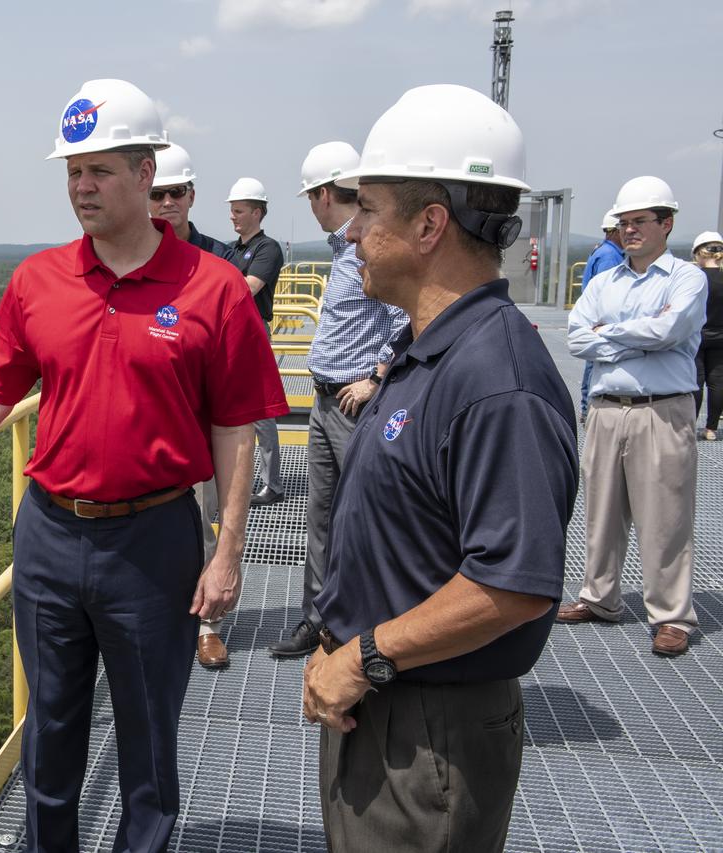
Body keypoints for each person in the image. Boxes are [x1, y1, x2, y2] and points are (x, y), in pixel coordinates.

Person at [0, 78, 288, 853]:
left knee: (149, 743)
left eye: (100, 171)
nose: (82, 188)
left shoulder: (212, 289)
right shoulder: (38, 281)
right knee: (49, 735)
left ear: (147, 174)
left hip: (153, 542)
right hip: (49, 535)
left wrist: (227, 552)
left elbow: (235, 428)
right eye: (72, 172)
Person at [300, 84, 578, 852]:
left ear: (429, 225)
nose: (352, 233)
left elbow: (514, 582)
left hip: (430, 733)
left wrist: (363, 654)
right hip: (387, 699)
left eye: (369, 211)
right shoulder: (431, 349)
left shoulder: (496, 380)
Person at [268, 141, 408, 659]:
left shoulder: (371, 249)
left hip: (354, 404)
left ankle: (366, 626)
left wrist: (375, 379)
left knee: (363, 516)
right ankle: (318, 619)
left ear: (324, 193)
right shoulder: (343, 251)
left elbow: (403, 321)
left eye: (311, 197)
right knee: (322, 516)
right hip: (326, 403)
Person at [559, 176, 707, 658]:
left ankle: (671, 616)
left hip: (661, 411)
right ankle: (599, 598)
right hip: (607, 411)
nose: (630, 230)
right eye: (624, 223)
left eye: (640, 221)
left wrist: (611, 333)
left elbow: (670, 329)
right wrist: (637, 335)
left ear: (667, 223)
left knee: (665, 516)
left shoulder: (687, 278)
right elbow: (577, 339)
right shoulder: (603, 280)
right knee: (600, 514)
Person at [148, 142, 237, 670]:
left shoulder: (217, 261)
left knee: (209, 516)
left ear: (191, 196)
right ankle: (162, 613)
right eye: (156, 194)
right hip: (159, 420)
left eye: (175, 193)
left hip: (207, 419)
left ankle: (207, 624)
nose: (165, 203)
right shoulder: (131, 258)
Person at [226, 177, 286, 506]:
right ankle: (241, 477)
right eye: (232, 211)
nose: (233, 217)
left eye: (239, 210)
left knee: (260, 411)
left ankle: (272, 484)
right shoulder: (232, 249)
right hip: (230, 331)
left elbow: (247, 289)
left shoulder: (267, 248)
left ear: (257, 213)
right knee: (233, 409)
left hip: (252, 330)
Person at [578, 214, 625, 423]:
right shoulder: (609, 257)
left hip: (596, 319)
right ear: (615, 231)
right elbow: (609, 294)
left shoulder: (605, 252)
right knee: (596, 363)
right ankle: (588, 408)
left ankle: (587, 407)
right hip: (601, 321)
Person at [690, 230, 723, 440]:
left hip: (697, 335)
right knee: (717, 382)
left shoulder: (695, 279)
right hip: (721, 336)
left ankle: (689, 426)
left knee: (695, 381)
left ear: (698, 253)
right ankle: (711, 429)